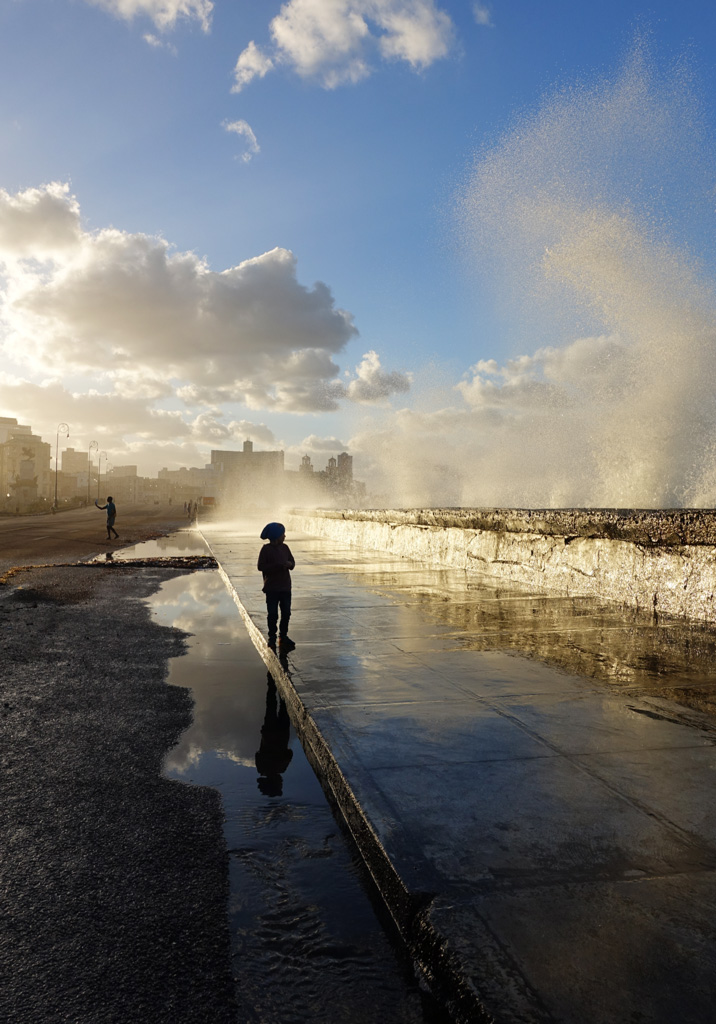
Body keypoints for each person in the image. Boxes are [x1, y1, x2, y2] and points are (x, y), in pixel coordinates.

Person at [257, 521, 295, 650]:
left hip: (285, 587)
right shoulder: (266, 549)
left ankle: (283, 636)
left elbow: (293, 562)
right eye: (282, 534)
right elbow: (261, 567)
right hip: (272, 588)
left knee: (286, 613)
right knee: (272, 614)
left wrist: (290, 564)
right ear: (275, 536)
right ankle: (272, 637)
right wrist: (279, 566)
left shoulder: (285, 548)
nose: (284, 537)